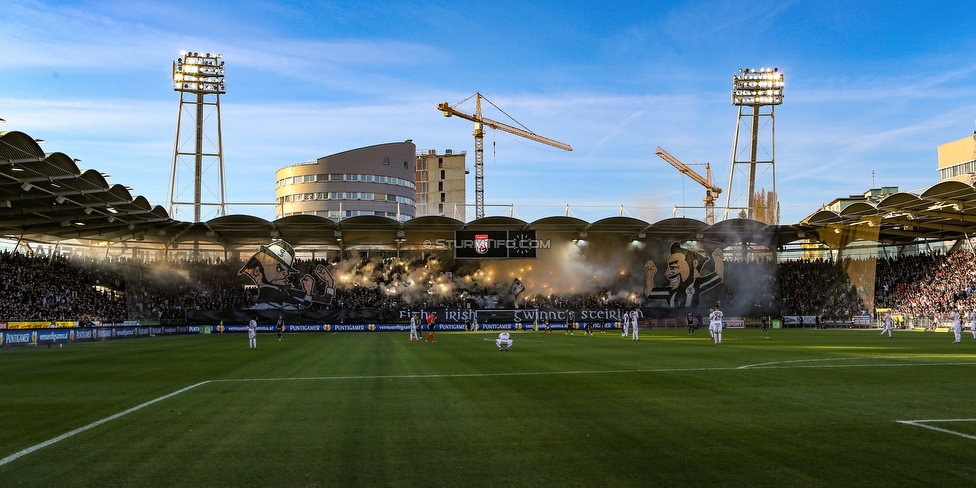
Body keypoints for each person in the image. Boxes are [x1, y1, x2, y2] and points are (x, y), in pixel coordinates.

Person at [645, 242, 724, 308]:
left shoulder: (696, 284)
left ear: (694, 263)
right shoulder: (671, 291)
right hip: (675, 318)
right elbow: (650, 293)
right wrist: (649, 276)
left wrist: (719, 261)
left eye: (673, 267)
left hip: (692, 315)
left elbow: (718, 277)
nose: (667, 273)